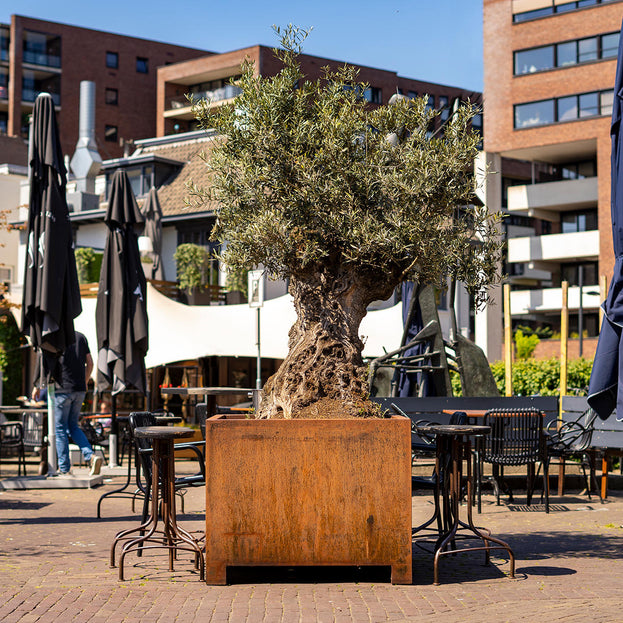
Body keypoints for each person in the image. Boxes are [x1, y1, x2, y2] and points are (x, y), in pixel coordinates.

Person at [32, 331, 102, 477]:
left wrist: (37, 386)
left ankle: (64, 468)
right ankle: (90, 456)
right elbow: (90, 363)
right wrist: (85, 381)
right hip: (79, 390)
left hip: (61, 389)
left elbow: (45, 362)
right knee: (73, 426)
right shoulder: (81, 337)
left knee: (60, 429)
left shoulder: (55, 336)